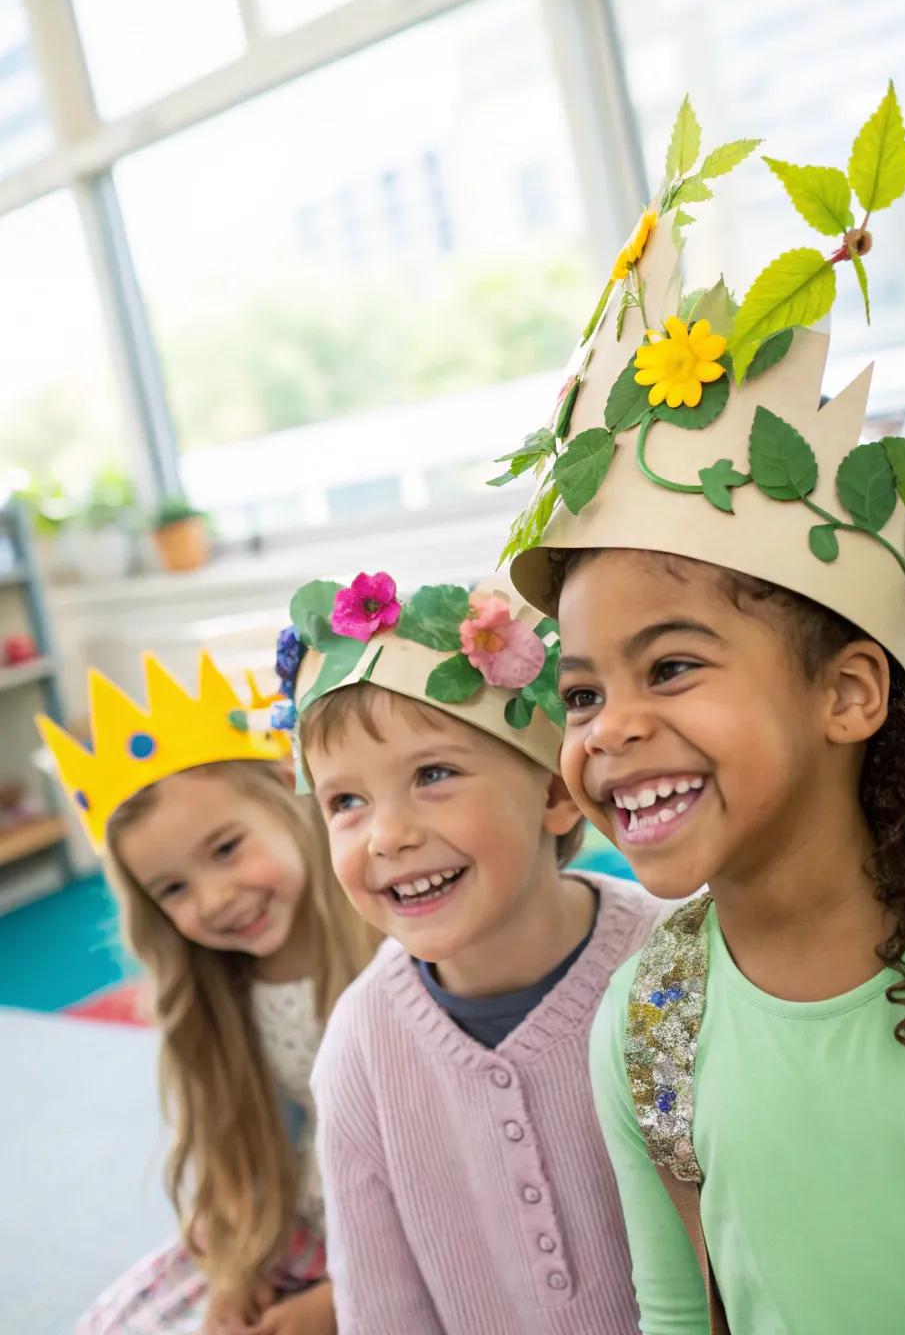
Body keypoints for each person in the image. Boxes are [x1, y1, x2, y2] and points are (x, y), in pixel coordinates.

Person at [497, 89, 905, 1333]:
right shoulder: (650, 1026)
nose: (609, 726)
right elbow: (683, 1312)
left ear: (846, 692)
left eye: (670, 667)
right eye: (581, 691)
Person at [281, 570, 660, 1333]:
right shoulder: (360, 1047)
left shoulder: (671, 961)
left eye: (433, 774)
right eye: (345, 802)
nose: (387, 835)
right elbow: (381, 1309)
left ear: (556, 794)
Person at [38, 651, 379, 1335]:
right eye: (173, 889)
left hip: (403, 1238)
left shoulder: (391, 950)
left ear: (289, 792)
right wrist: (237, 1270)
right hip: (294, 1224)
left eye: (226, 849)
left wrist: (341, 1301)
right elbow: (245, 1151)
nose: (216, 899)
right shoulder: (223, 994)